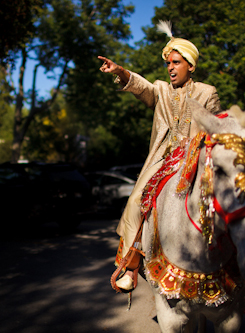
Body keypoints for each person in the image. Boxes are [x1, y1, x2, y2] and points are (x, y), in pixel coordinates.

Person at [98, 21, 222, 291]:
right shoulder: (162, 91)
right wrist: (120, 71)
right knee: (134, 201)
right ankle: (130, 266)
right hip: (164, 161)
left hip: (197, 159)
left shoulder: (207, 92)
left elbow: (215, 130)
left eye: (176, 63)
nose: (170, 68)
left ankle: (236, 258)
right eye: (168, 63)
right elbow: (142, 87)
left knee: (223, 199)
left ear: (190, 65)